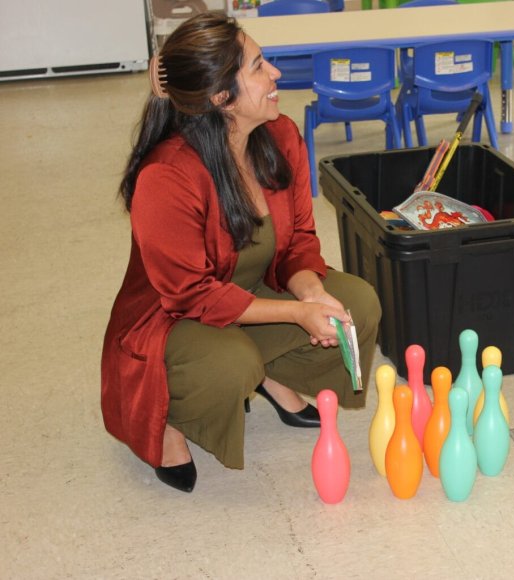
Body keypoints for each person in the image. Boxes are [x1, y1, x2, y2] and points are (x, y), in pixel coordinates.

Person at [101, 13, 381, 493]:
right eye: (258, 67)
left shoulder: (282, 137)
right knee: (231, 366)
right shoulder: (166, 177)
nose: (275, 74)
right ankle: (167, 417)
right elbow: (192, 297)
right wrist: (297, 313)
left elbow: (297, 244)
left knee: (358, 303)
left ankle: (269, 377)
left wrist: (312, 295)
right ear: (220, 98)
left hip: (250, 290)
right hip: (173, 319)